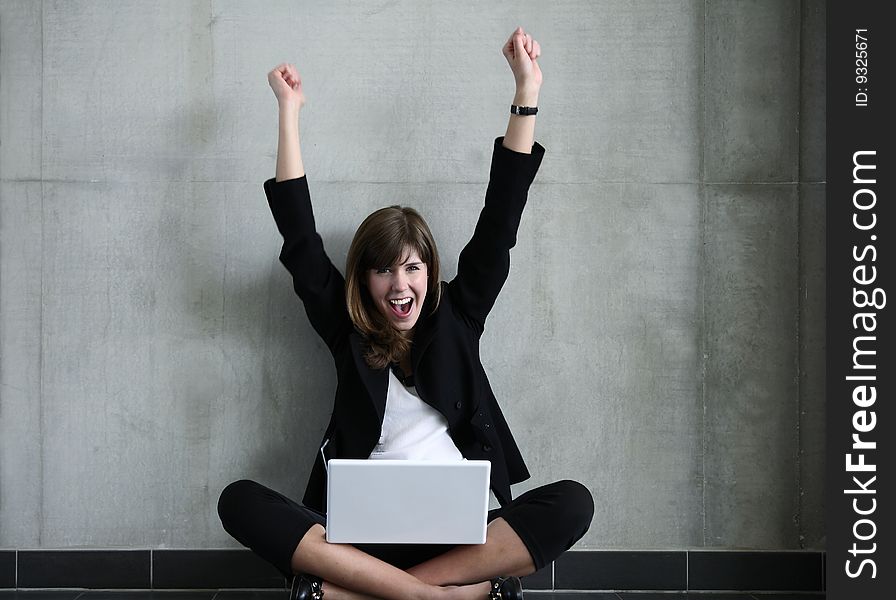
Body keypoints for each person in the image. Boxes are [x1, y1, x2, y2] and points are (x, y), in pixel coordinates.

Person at [218, 27, 594, 600]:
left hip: (458, 542)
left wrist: (526, 91)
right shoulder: (345, 328)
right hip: (361, 541)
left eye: (413, 268)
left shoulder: (459, 315)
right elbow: (300, 240)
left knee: (572, 502)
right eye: (384, 270)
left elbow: (501, 218)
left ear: (430, 273)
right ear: (362, 280)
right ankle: (448, 597)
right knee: (239, 501)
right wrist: (288, 112)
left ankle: (358, 595)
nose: (400, 285)